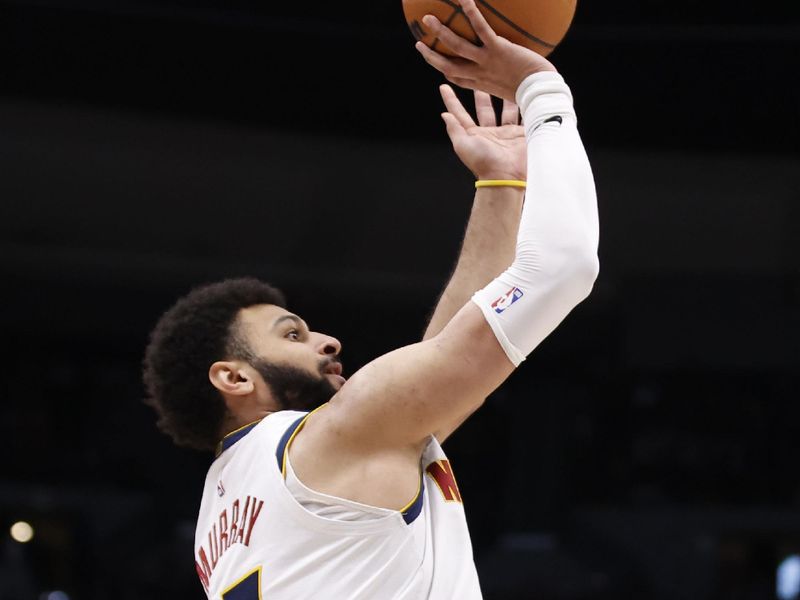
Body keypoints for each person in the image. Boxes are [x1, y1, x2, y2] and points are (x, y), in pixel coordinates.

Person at [141, 0, 599, 597]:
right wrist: (544, 92)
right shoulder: (338, 437)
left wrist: (502, 184)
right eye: (291, 335)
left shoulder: (223, 510)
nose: (328, 340)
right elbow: (562, 268)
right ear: (232, 377)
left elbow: (438, 360)